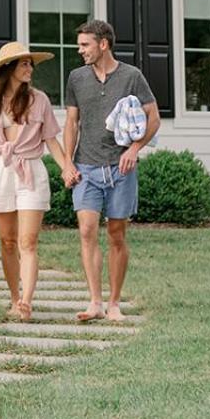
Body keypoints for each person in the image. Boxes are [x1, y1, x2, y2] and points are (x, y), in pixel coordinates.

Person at [61, 19, 161, 323]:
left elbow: (153, 118)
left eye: (85, 45)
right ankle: (95, 302)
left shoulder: (132, 77)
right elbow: (71, 123)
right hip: (86, 168)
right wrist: (67, 162)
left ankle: (114, 302)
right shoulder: (76, 78)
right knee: (87, 230)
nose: (80, 51)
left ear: (103, 44)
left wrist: (134, 149)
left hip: (120, 168)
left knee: (117, 235)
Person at [0, 40, 75, 321]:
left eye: (31, 64)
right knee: (8, 241)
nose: (30, 68)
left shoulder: (39, 100)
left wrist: (66, 167)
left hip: (31, 172)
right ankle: (14, 298)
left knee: (28, 242)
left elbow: (51, 139)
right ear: (9, 68)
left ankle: (26, 302)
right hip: (0, 172)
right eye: (24, 63)